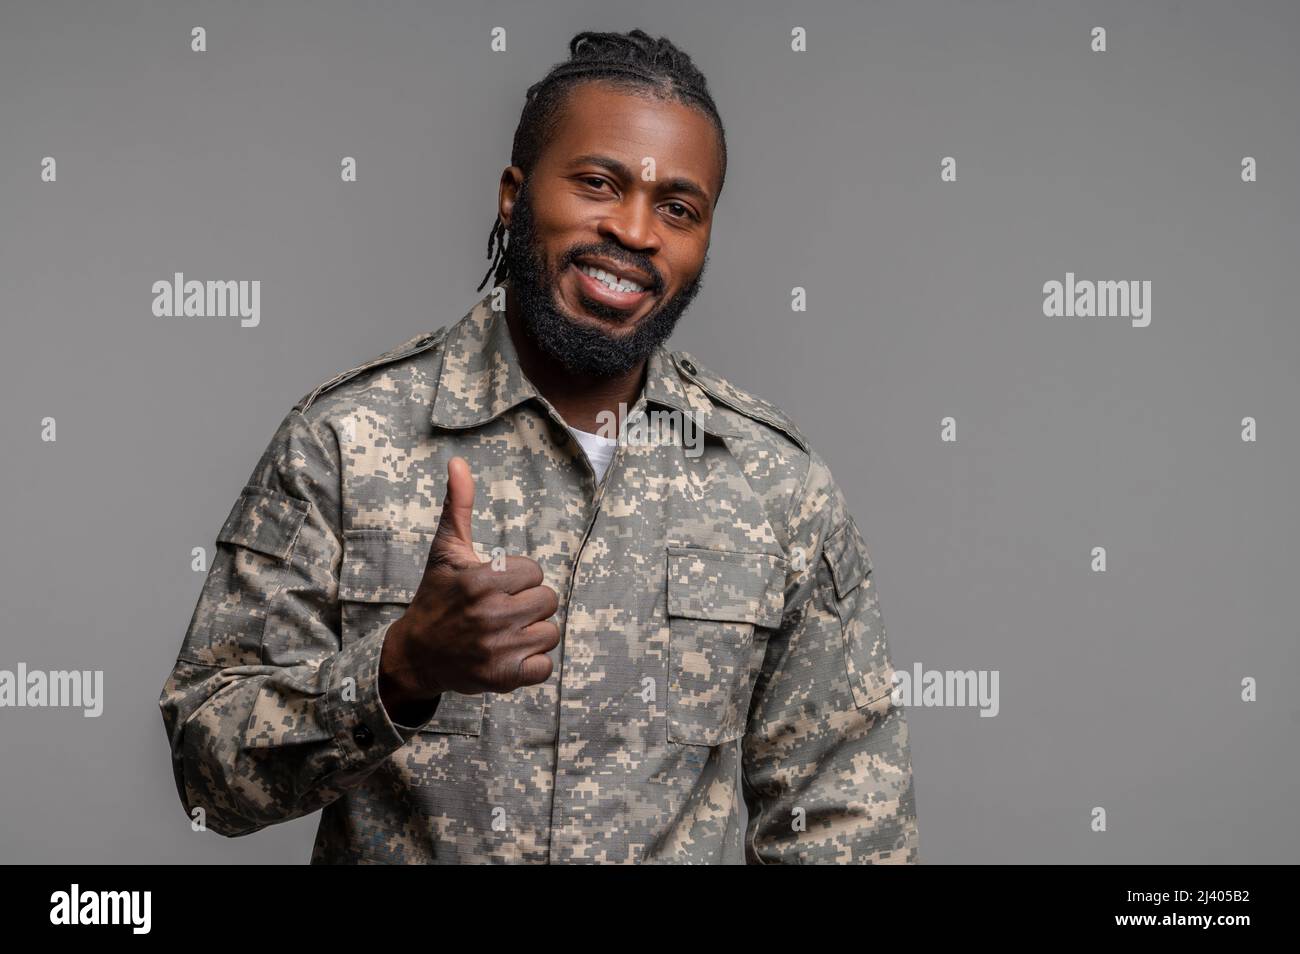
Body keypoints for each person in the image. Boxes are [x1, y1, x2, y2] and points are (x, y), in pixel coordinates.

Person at [158, 28, 919, 864]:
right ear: (514, 196)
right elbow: (208, 770)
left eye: (678, 208)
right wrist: (401, 667)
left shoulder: (777, 486)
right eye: (599, 182)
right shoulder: (342, 442)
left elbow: (847, 822)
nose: (635, 230)